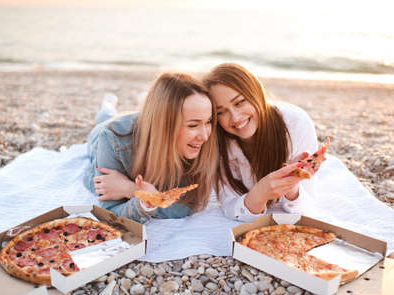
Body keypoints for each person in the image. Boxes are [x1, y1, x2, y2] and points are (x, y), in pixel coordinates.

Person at [83, 72, 218, 223]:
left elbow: (186, 207)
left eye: (208, 122)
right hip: (101, 136)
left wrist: (136, 192)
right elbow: (109, 211)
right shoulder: (111, 139)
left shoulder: (200, 144)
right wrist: (150, 199)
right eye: (193, 125)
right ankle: (107, 104)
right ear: (163, 125)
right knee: (104, 118)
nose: (205, 136)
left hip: (145, 120)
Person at [203, 63, 319, 222]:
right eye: (221, 112)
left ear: (256, 93)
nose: (235, 117)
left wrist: (291, 187)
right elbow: (230, 206)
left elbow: (306, 207)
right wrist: (260, 194)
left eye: (239, 102)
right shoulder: (217, 141)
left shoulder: (296, 124)